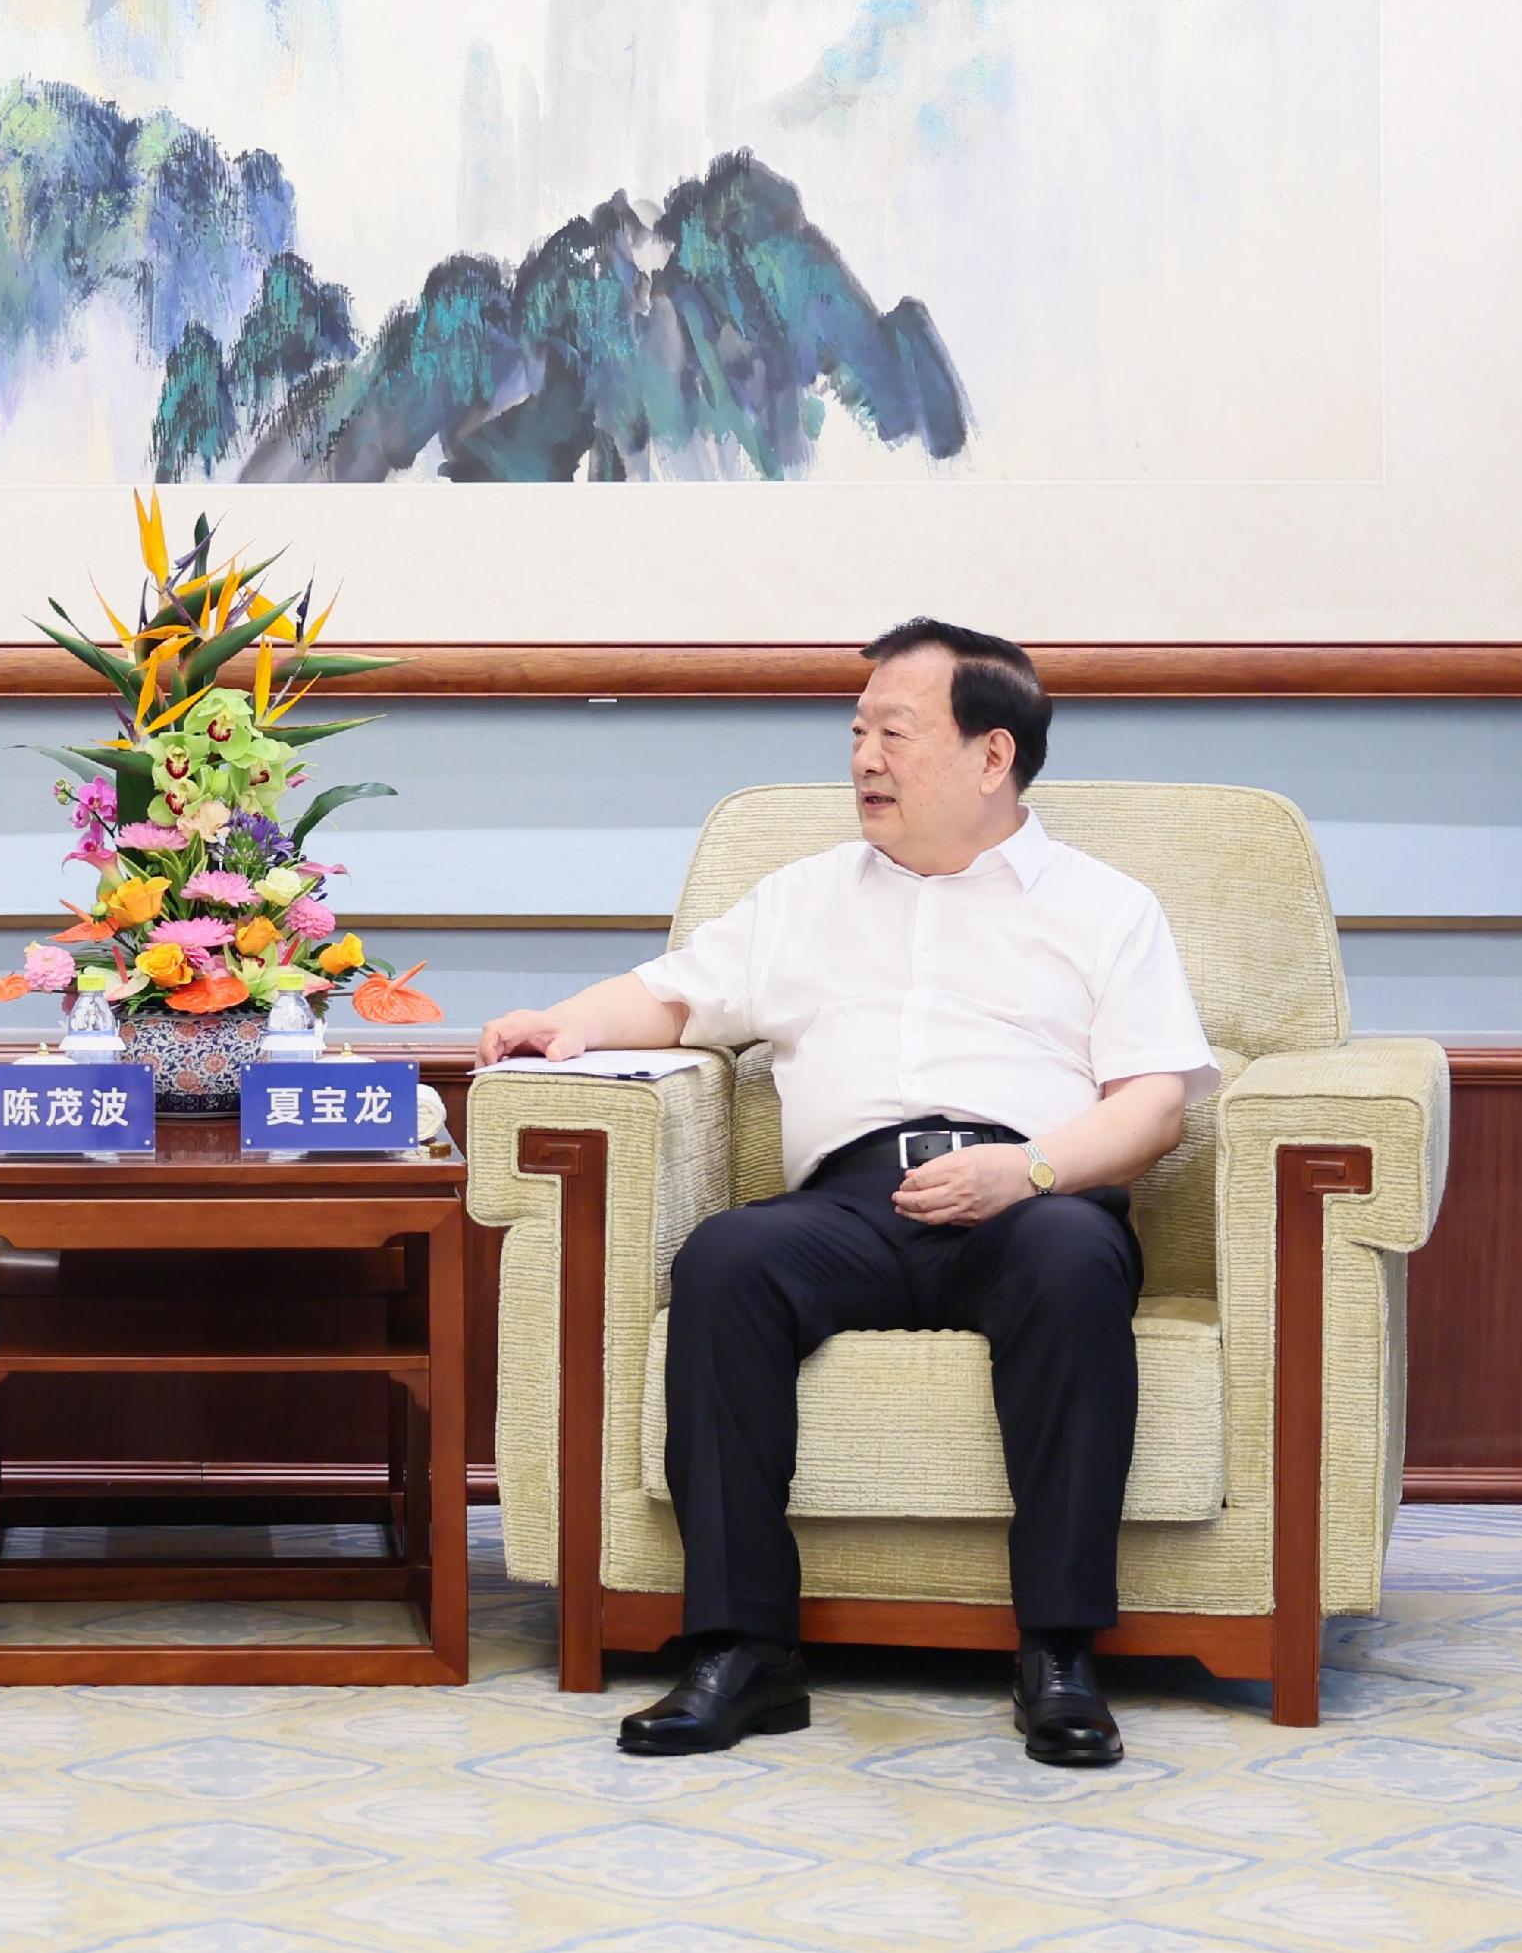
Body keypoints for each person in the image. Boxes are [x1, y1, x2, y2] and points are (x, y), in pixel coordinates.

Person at [478, 619, 1211, 1768]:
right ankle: (741, 1650)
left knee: (1072, 1260)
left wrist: (1024, 1170)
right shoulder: (805, 896)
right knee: (726, 1259)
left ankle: (1060, 1652)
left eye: (895, 732)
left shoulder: (1102, 906)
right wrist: (563, 1024)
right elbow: (674, 1000)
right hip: (852, 1203)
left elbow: (1154, 1104)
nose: (863, 756)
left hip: (1034, 1191)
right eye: (857, 730)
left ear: (991, 755)